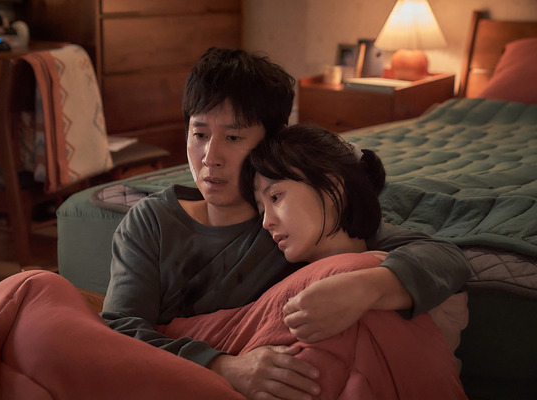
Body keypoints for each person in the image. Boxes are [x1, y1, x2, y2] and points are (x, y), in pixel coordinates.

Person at [100, 47, 471, 400]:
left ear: (270, 140)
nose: (210, 157)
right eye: (199, 135)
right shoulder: (151, 222)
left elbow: (442, 258)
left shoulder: (297, 217)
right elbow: (119, 332)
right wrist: (223, 367)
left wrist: (366, 289)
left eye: (233, 137)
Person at [156, 124, 468, 399]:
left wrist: (365, 287)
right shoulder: (274, 265)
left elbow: (446, 257)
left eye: (276, 197)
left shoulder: (381, 257)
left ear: (333, 188)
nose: (265, 222)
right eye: (261, 209)